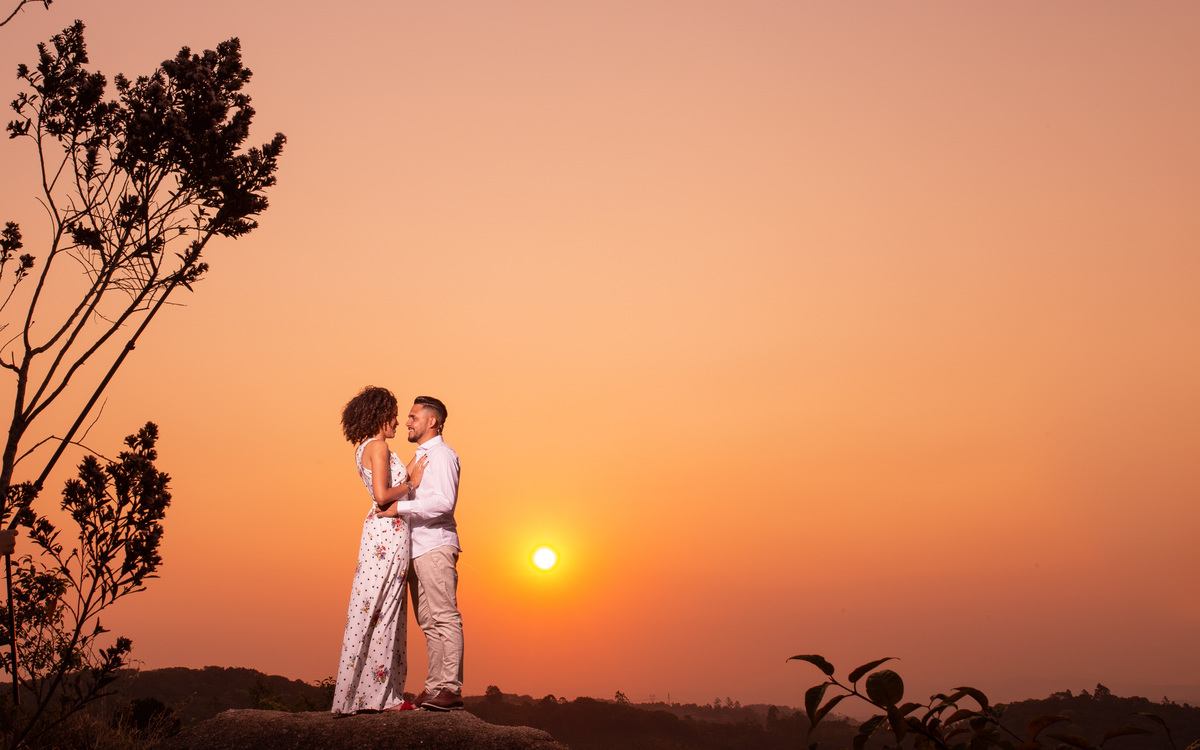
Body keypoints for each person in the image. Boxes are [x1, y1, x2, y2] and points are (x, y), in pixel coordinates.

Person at [332, 386, 428, 714]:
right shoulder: (379, 447)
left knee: (371, 611)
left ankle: (363, 694)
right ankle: (380, 698)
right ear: (379, 416)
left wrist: (413, 467)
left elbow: (387, 486)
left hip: (380, 535)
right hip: (388, 534)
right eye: (393, 415)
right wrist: (412, 482)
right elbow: (383, 495)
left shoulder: (365, 448)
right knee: (385, 612)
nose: (398, 422)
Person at [402, 396, 464, 711]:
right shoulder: (420, 456)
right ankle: (434, 687)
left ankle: (451, 689)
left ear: (432, 422)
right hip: (417, 549)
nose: (407, 422)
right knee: (428, 621)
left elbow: (443, 503)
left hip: (436, 545)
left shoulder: (442, 455)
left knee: (444, 616)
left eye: (413, 417)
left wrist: (399, 508)